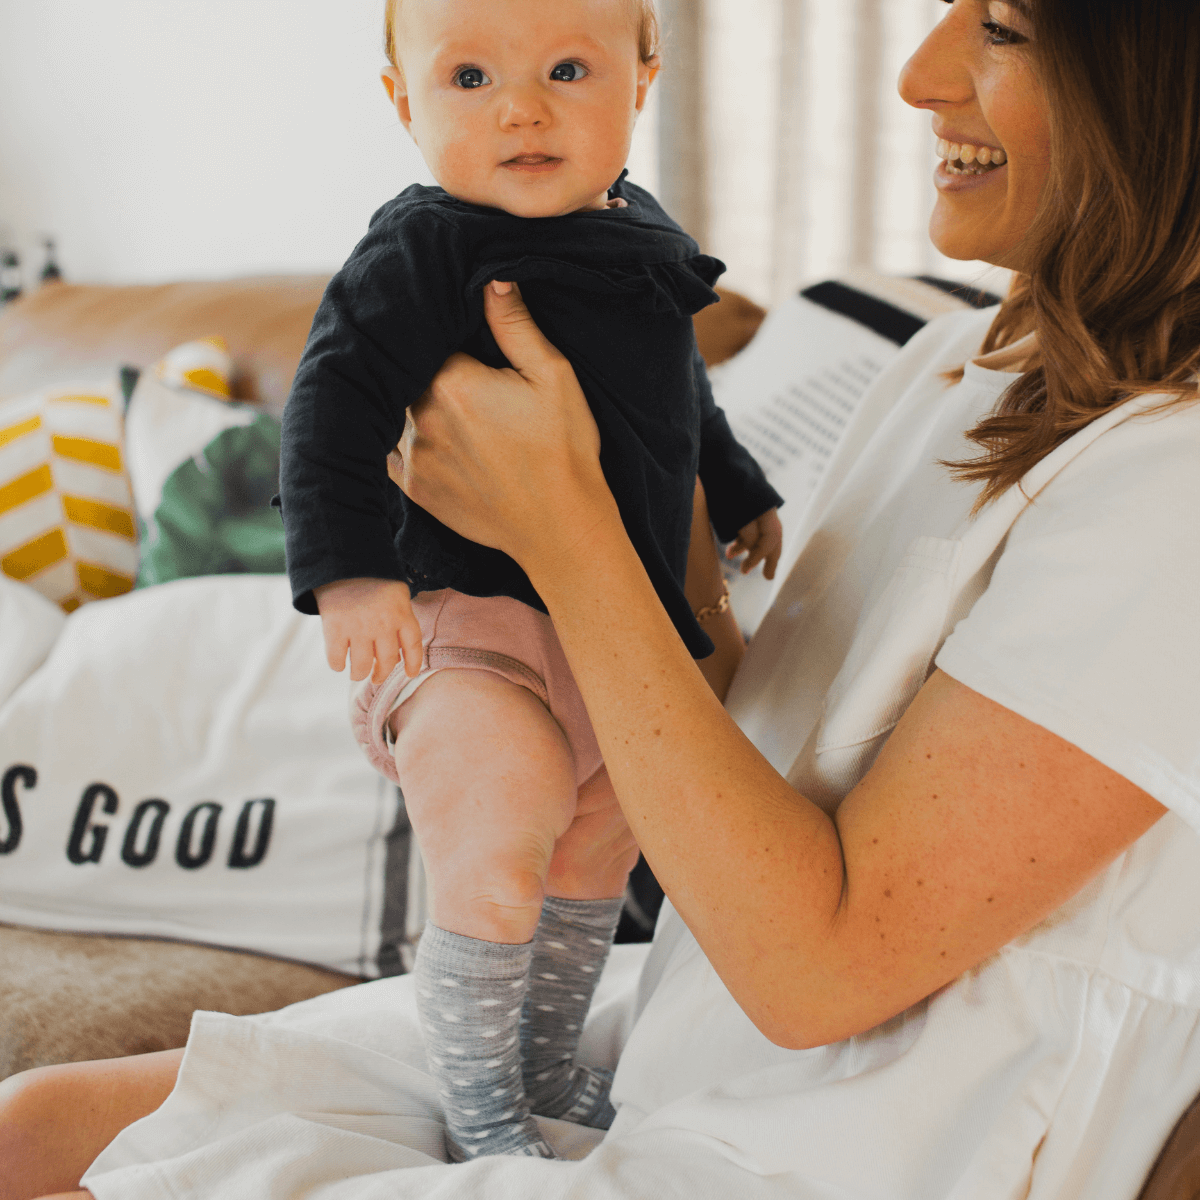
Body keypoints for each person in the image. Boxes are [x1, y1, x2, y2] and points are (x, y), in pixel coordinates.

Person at [3, 0, 1199, 1196]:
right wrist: (642, 508)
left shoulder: (1173, 481)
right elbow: (748, 719)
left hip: (848, 1127)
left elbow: (817, 975)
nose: (919, 74)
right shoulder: (955, 364)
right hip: (688, 1023)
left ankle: (495, 1096)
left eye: (1002, 30)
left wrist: (566, 527)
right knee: (33, 1130)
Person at [279, 0, 782, 1162]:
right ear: (404, 103)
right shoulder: (426, 248)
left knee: (595, 855)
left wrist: (738, 479)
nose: (522, 107)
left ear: (644, 77)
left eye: (568, 67)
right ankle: (480, 1107)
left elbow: (676, 394)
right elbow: (329, 403)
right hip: (472, 630)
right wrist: (350, 575)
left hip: (612, 633)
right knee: (503, 838)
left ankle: (546, 1064)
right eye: (468, 78)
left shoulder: (644, 235)